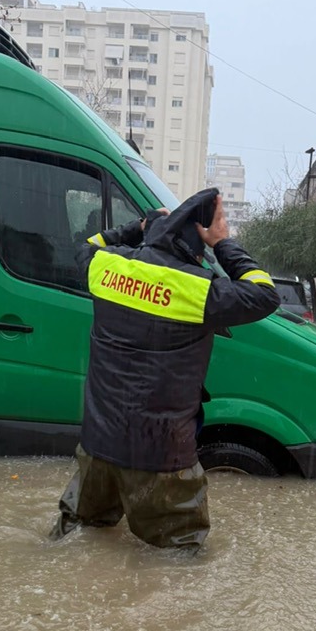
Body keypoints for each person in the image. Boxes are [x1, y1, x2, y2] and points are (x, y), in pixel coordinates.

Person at [50, 187, 279, 550]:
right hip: (161, 457)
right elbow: (264, 293)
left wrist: (134, 228)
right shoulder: (198, 288)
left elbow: (86, 245)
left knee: (77, 536)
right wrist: (222, 242)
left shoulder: (107, 266)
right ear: (193, 247)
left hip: (98, 448)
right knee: (177, 559)